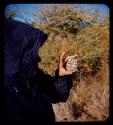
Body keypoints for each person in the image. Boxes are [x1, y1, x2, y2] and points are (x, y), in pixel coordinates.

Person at [4, 19, 75, 125]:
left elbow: (57, 94)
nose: (39, 59)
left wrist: (62, 76)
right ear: (17, 54)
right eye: (32, 54)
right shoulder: (7, 91)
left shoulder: (32, 76)